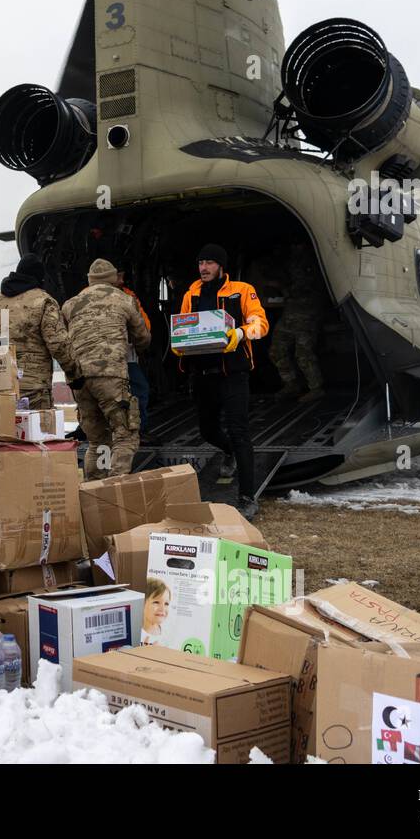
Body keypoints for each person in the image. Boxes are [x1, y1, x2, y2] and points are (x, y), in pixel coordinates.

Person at [177, 244, 269, 519]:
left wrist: (240, 334)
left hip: (233, 374)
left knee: (240, 432)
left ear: (221, 266)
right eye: (200, 262)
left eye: (209, 263)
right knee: (207, 431)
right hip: (203, 374)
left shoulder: (241, 289)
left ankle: (247, 497)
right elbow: (182, 325)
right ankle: (228, 452)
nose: (203, 268)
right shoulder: (190, 293)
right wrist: (178, 343)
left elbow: (260, 323)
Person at [61, 258, 151, 480]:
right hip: (110, 376)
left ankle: (93, 488)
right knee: (125, 434)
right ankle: (114, 487)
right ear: (113, 278)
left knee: (97, 440)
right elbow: (143, 338)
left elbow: (62, 340)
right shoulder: (125, 300)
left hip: (79, 380)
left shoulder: (70, 304)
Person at [0, 253, 77, 410]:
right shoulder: (44, 301)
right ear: (40, 277)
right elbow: (58, 344)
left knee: (1, 432)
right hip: (33, 388)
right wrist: (74, 374)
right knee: (36, 432)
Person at [268, 243, 326, 402]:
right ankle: (291, 384)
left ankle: (316, 388)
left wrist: (282, 288)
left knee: (303, 353)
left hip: (307, 312)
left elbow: (308, 287)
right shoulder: (289, 261)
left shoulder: (311, 261)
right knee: (276, 350)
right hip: (290, 311)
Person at [116, 268, 153, 432]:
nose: (122, 280)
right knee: (139, 390)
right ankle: (140, 431)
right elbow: (143, 329)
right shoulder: (127, 298)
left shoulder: (82, 297)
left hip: (93, 360)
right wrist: (142, 343)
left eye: (123, 276)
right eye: (119, 276)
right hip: (123, 358)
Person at [142, 578, 171, 645]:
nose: (162, 608)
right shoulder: (136, 633)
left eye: (166, 604)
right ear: (142, 602)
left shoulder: (168, 633)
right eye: (156, 602)